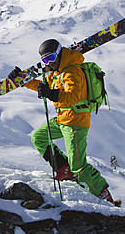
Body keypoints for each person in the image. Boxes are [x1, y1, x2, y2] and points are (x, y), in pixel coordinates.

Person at [8, 39, 114, 204]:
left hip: (76, 121)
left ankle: (103, 193)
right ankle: (64, 171)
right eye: (45, 60)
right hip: (62, 118)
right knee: (39, 137)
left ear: (59, 54)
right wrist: (23, 80)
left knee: (78, 165)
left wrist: (51, 94)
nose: (49, 63)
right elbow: (42, 86)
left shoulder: (71, 71)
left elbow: (72, 96)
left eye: (51, 58)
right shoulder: (57, 73)